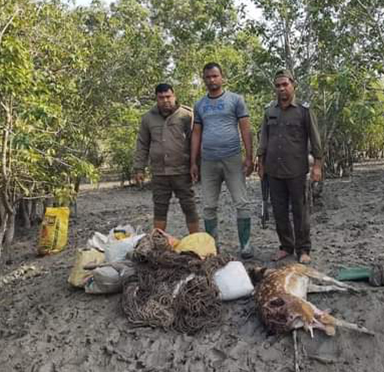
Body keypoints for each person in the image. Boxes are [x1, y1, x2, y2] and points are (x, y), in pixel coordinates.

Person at [256, 70, 323, 264]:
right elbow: (264, 138)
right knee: (279, 210)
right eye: (278, 86)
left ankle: (303, 248)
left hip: (296, 170)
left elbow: (315, 140)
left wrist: (317, 166)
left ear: (293, 85)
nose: (281, 89)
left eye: (285, 84)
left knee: (300, 210)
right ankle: (286, 246)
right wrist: (260, 163)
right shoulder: (270, 111)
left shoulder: (304, 110)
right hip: (273, 170)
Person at [190, 63, 254, 258]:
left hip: (232, 158)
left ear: (222, 77)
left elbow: (245, 128)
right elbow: (196, 133)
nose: (212, 80)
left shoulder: (235, 100)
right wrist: (193, 161)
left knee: (241, 202)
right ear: (204, 79)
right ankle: (212, 247)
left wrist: (250, 156)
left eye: (215, 76)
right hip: (208, 161)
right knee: (208, 205)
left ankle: (246, 245)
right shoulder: (200, 104)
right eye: (208, 77)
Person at [134, 83, 199, 234]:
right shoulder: (148, 118)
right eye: (161, 98)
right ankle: (157, 244)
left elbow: (195, 141)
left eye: (168, 96)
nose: (165, 100)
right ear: (156, 99)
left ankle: (197, 241)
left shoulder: (186, 115)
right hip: (159, 173)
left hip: (182, 171)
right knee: (160, 208)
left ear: (174, 95)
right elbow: (142, 144)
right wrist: (139, 168)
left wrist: (196, 165)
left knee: (189, 206)